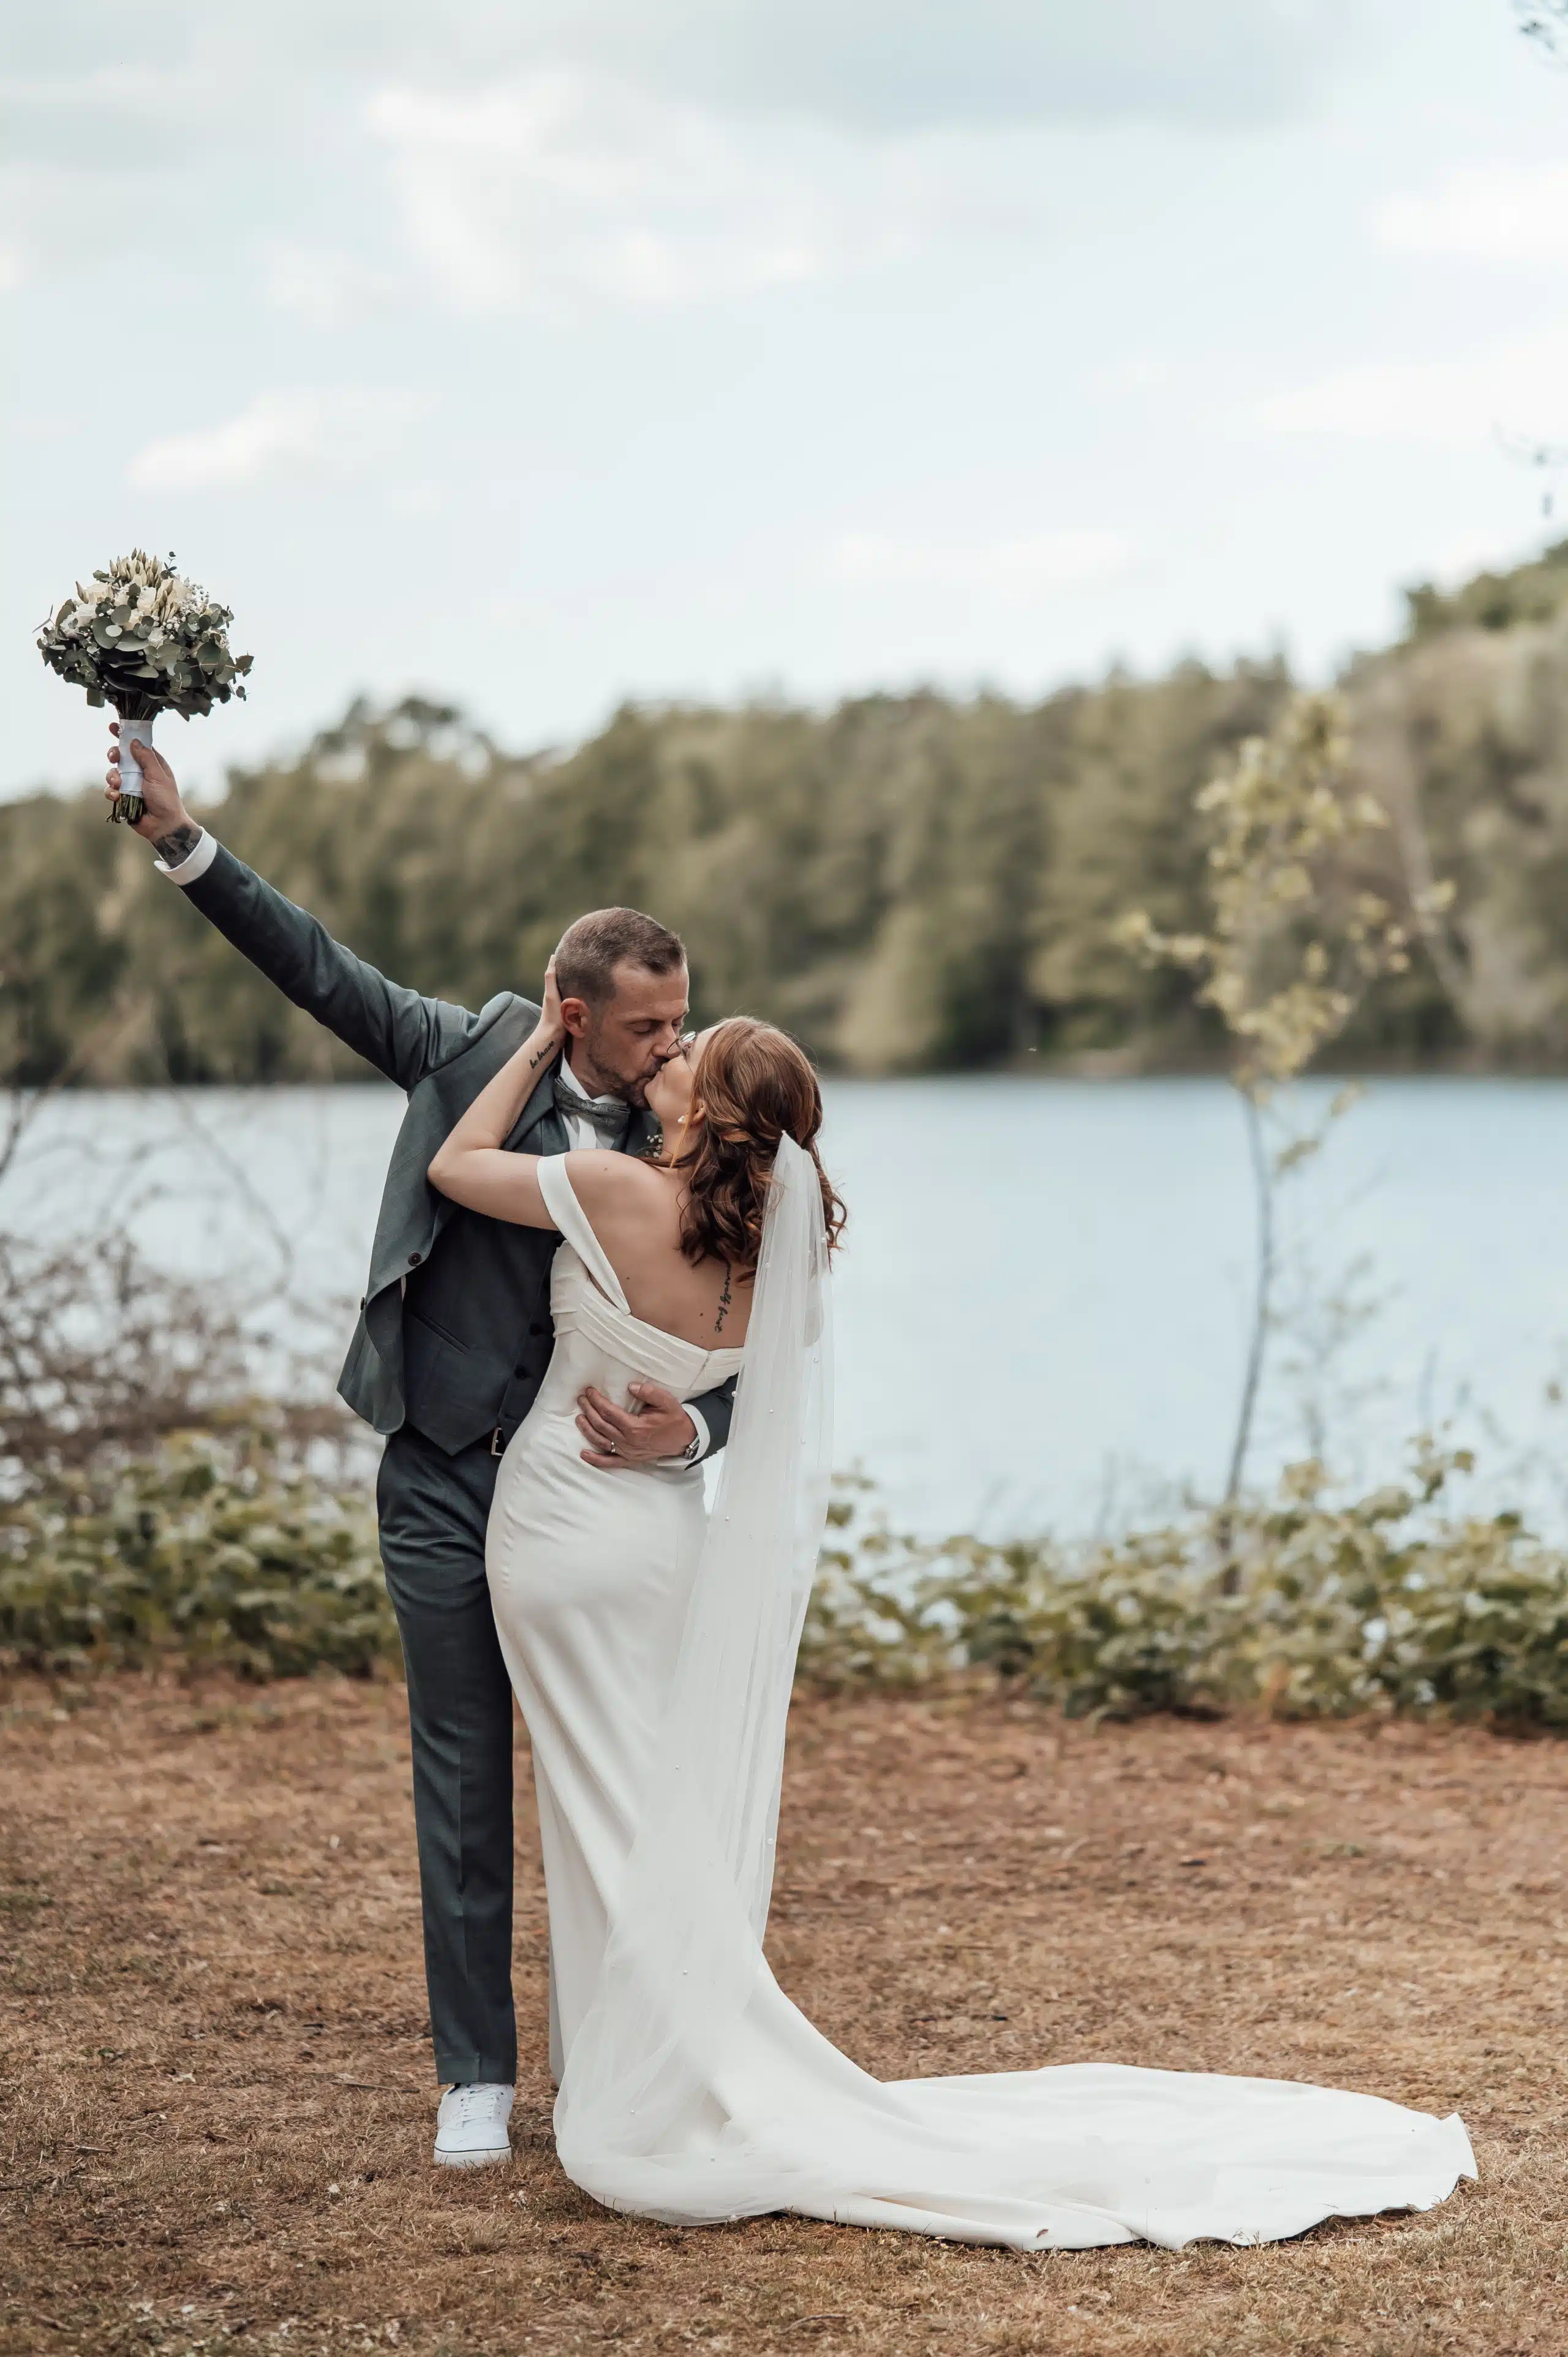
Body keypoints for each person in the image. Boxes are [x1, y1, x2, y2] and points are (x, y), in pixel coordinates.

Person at [427, 977, 1478, 2250]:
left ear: (704, 1110)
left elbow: (454, 1165)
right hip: (662, 1543)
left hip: (560, 1526)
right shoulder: (784, 1251)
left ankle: (656, 2074)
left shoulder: (611, 1190)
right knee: (640, 1805)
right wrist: (689, 1429)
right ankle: (654, 2055)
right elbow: (752, 1400)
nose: (670, 1051)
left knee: (603, 1806)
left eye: (688, 1048)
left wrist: (539, 1038)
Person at [107, 724, 739, 2170]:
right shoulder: (460, 1053)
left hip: (597, 1498)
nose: (671, 1044)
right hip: (448, 1471)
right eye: (646, 1026)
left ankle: (633, 2054)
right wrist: (179, 840)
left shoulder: (698, 1133)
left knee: (615, 1773)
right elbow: (313, 964)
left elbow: (750, 1336)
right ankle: (475, 2074)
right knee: (460, 1765)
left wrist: (691, 1428)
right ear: (572, 1015)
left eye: (680, 1018)